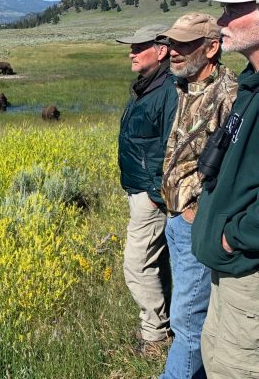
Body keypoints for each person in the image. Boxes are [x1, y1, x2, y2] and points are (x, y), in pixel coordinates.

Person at [159, 13, 238, 378]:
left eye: (185, 44)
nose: (173, 51)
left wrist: (201, 211)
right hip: (175, 220)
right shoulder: (184, 87)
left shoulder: (229, 94)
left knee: (188, 323)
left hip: (197, 223)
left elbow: (238, 168)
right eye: (172, 43)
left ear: (211, 48)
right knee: (190, 315)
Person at [192, 0, 259, 378]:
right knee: (216, 358)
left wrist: (234, 236)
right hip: (229, 268)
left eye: (235, 9)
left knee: (237, 369)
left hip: (248, 269)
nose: (221, 21)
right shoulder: (250, 85)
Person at [116, 24, 177, 353]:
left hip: (150, 196)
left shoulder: (168, 89)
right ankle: (167, 324)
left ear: (162, 50)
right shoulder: (147, 86)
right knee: (156, 261)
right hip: (138, 190)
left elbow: (172, 146)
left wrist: (156, 194)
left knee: (137, 264)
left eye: (139, 47)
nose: (131, 52)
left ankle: (154, 337)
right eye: (131, 47)